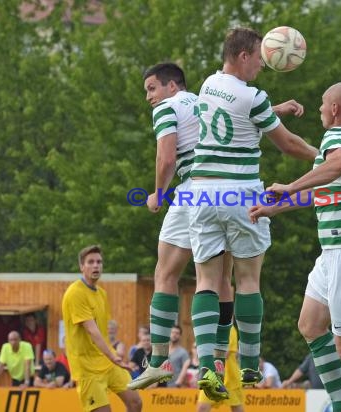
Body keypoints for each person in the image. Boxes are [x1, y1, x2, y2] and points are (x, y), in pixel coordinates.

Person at [188, 27, 318, 401]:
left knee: (207, 283)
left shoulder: (209, 84)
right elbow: (289, 145)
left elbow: (235, 119)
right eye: (259, 57)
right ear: (244, 55)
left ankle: (205, 366)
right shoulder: (254, 96)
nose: (263, 64)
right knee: (247, 280)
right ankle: (248, 363)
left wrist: (273, 110)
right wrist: (326, 158)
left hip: (202, 192)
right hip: (241, 193)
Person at [250, 82, 341, 412]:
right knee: (310, 325)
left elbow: (336, 165)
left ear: (335, 109)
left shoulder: (340, 136)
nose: (321, 110)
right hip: (335, 250)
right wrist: (274, 208)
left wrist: (289, 185)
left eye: (323, 105)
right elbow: (322, 190)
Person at [128, 62, 235, 391]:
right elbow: (241, 118)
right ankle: (215, 363)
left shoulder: (166, 109)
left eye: (152, 88)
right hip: (232, 191)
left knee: (166, 274)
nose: (149, 97)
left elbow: (167, 158)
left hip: (194, 191)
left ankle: (158, 362)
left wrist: (158, 194)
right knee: (222, 281)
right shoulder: (206, 102)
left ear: (172, 86)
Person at [62, 245, 142, 412]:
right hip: (87, 369)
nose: (96, 265)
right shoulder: (75, 293)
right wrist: (114, 356)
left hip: (107, 362)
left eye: (99, 262)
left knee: (135, 403)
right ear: (81, 267)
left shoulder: (102, 294)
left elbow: (103, 332)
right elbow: (92, 331)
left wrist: (114, 357)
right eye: (90, 262)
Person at [197, 326, 244, 412]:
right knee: (202, 408)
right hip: (212, 375)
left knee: (236, 408)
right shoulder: (210, 327)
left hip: (230, 377)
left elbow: (224, 353)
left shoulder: (230, 329)